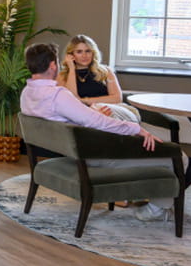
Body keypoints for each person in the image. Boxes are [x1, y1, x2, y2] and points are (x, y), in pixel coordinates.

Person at [20, 42, 171, 221]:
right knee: (176, 158)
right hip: (95, 157)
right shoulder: (57, 95)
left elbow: (80, 118)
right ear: (53, 65)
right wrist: (137, 129)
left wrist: (92, 112)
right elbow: (98, 122)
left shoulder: (27, 93)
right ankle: (156, 209)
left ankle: (150, 199)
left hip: (74, 153)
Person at [55, 34, 139, 122]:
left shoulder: (105, 71)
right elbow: (71, 101)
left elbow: (117, 98)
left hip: (114, 110)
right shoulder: (63, 75)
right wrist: (71, 69)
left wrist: (85, 101)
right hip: (87, 115)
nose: (84, 55)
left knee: (100, 111)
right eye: (79, 52)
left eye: (88, 51)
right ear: (71, 55)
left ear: (93, 53)